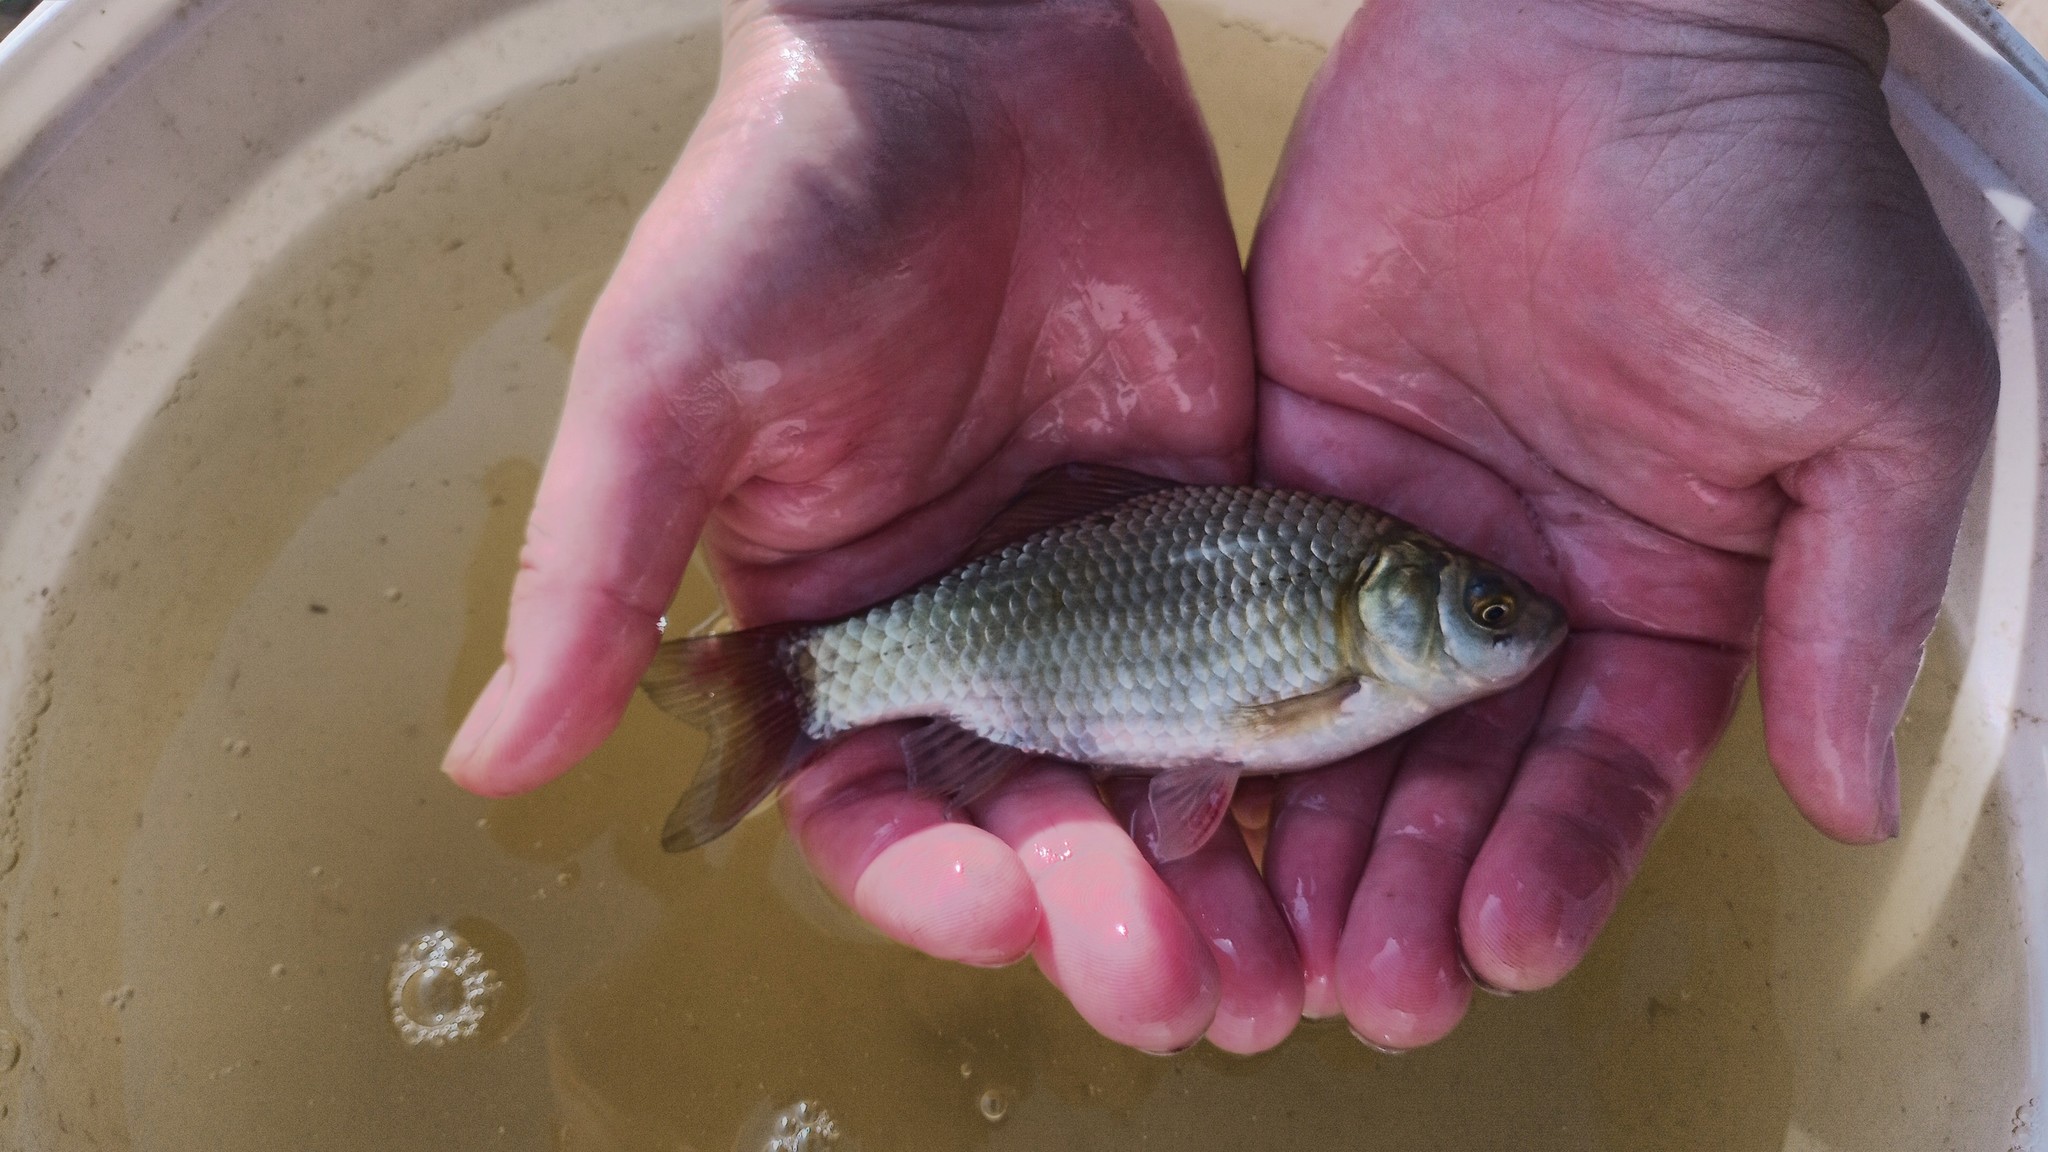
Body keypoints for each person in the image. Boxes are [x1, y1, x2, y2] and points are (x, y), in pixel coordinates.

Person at [440, 0, 1997, 1055]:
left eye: (1488, 613)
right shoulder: (1327, 667)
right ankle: (801, 683)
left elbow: (1219, 762)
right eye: (1472, 610)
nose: (1512, 628)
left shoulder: (1332, 644)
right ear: (1383, 607)